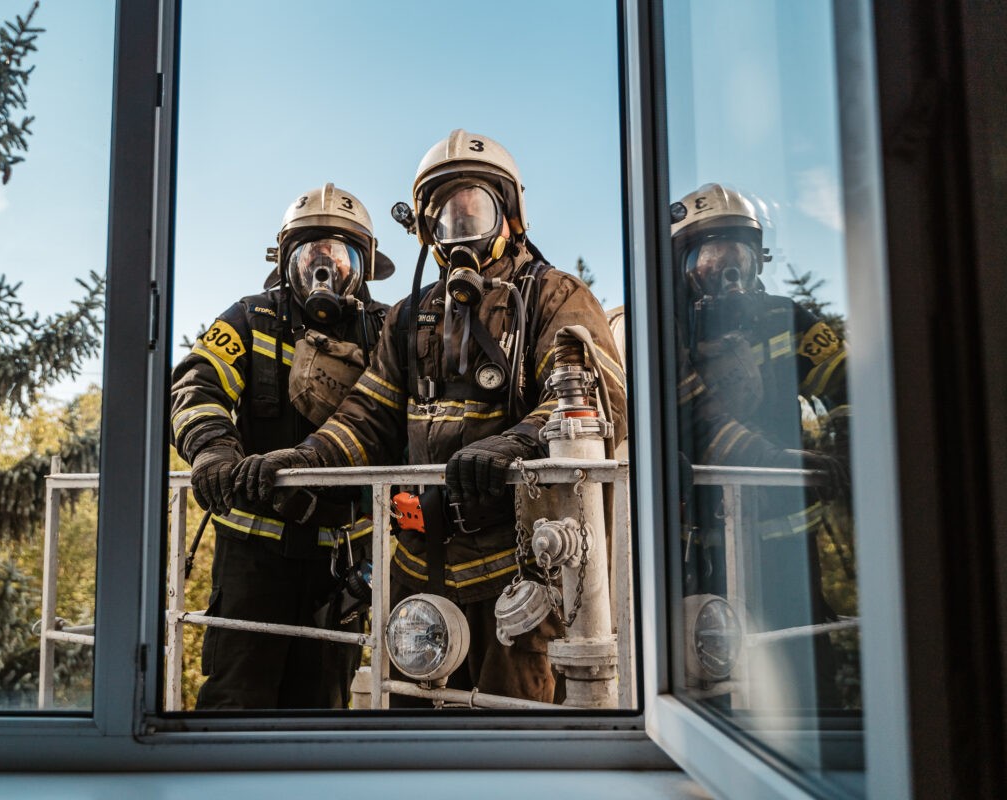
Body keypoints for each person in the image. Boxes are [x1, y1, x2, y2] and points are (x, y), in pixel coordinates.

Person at [234, 130, 628, 703]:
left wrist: (514, 446)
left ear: (511, 217)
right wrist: (306, 457)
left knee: (514, 743)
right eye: (444, 216)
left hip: (523, 575)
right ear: (425, 229)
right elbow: (365, 416)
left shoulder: (553, 295)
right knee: (414, 734)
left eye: (475, 211)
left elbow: (595, 398)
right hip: (418, 573)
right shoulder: (408, 318)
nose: (458, 230)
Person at [170, 183, 392, 709]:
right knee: (234, 699)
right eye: (309, 255)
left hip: (341, 560)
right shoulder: (248, 319)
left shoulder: (388, 332)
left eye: (339, 255)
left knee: (322, 708)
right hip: (253, 557)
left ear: (364, 265)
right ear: (284, 260)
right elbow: (196, 384)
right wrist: (212, 449)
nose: (324, 269)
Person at [670, 182, 850, 708]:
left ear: (759, 261)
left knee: (807, 668)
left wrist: (851, 445)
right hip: (708, 544)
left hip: (795, 545)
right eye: (711, 259)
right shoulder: (668, 334)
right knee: (719, 670)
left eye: (741, 260)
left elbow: (846, 381)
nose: (729, 275)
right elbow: (693, 418)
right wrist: (771, 461)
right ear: (682, 264)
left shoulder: (785, 318)